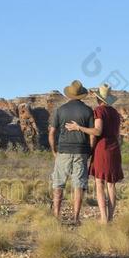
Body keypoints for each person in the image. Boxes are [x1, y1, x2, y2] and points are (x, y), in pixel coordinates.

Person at [65, 83, 124, 224]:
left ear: (98, 98)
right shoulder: (115, 113)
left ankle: (103, 218)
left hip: (102, 149)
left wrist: (78, 127)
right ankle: (110, 218)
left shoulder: (99, 110)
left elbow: (97, 131)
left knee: (99, 183)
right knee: (111, 184)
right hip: (115, 148)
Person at [49, 80, 95, 223]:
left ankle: (56, 216)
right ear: (82, 95)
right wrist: (90, 151)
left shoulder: (60, 110)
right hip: (81, 151)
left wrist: (54, 151)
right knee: (79, 185)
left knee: (58, 184)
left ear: (69, 94)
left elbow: (51, 133)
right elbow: (92, 135)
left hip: (63, 151)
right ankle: (76, 217)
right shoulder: (88, 111)